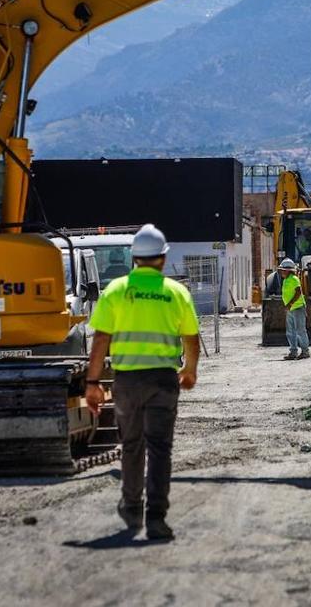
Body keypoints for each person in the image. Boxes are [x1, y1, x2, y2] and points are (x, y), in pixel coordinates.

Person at [85, 224, 200, 540]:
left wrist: (92, 382)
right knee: (160, 449)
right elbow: (191, 338)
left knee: (132, 445)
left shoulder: (116, 291)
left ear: (134, 257)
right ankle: (156, 519)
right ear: (163, 258)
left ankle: (132, 506)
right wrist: (189, 371)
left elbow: (100, 341)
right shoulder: (176, 293)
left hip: (127, 382)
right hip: (163, 379)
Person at [278, 258, 309, 360]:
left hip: (297, 307)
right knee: (290, 331)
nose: (281, 272)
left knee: (300, 330)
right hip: (291, 309)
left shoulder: (294, 279)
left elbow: (298, 292)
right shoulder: (286, 280)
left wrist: (290, 303)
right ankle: (293, 352)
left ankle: (305, 352)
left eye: (283, 270)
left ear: (288, 270)